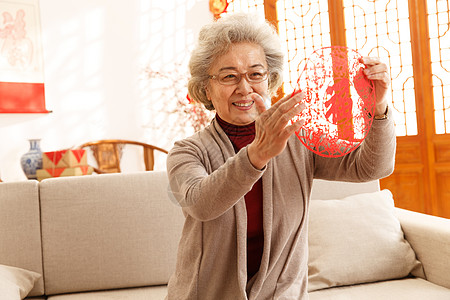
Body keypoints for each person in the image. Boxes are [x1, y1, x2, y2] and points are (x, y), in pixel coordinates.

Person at [166, 13, 395, 300]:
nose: (244, 87)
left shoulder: (299, 140)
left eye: (256, 74)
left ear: (270, 79)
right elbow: (201, 204)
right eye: (228, 76)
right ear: (206, 88)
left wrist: (380, 107)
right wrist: (256, 155)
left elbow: (371, 167)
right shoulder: (186, 152)